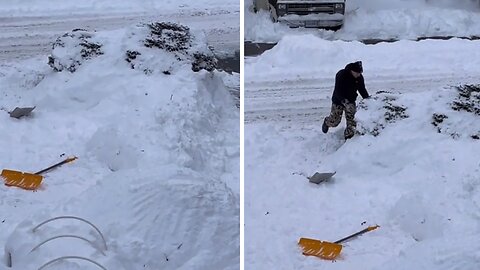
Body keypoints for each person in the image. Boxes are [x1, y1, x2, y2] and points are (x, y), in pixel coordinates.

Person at [322, 61, 370, 140]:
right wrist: (344, 101)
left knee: (352, 121)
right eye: (357, 73)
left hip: (351, 100)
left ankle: (348, 137)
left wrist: (367, 99)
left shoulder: (359, 78)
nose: (358, 75)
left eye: (360, 73)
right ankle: (327, 122)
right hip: (338, 100)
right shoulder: (341, 75)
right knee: (335, 121)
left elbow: (362, 90)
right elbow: (338, 90)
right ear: (352, 71)